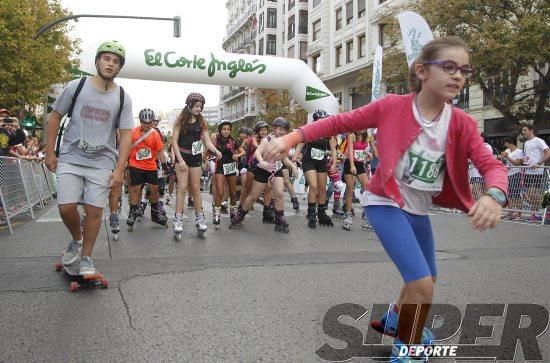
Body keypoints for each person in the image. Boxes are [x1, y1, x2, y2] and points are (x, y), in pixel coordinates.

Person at [262, 36, 508, 361]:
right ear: (421, 71)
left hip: (417, 210)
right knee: (423, 287)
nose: (458, 75)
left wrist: (494, 194)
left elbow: (490, 164)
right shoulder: (392, 106)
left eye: (464, 69)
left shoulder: (461, 123)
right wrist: (293, 137)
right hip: (385, 204)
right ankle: (405, 348)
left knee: (425, 279)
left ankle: (397, 318)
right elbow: (339, 121)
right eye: (449, 67)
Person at [45, 40, 133, 276]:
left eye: (115, 61)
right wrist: (50, 151)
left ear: (119, 68)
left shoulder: (123, 97)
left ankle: (87, 259)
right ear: (97, 61)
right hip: (71, 157)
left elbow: (126, 135)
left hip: (102, 162)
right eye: (106, 59)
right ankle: (76, 238)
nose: (110, 64)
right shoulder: (77, 86)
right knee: (66, 208)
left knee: (95, 212)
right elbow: (54, 117)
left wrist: (119, 168)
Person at [231, 117, 298, 233]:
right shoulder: (267, 139)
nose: (282, 132)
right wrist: (261, 161)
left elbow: (284, 158)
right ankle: (240, 214)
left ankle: (280, 217)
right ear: (274, 128)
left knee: (280, 193)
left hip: (276, 168)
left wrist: (292, 166)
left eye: (284, 130)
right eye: (280, 129)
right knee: (254, 195)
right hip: (264, 168)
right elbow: (257, 152)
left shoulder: (285, 141)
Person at [171, 92, 221, 239]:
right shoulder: (180, 121)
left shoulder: (202, 122)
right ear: (189, 105)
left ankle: (200, 217)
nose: (199, 109)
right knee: (182, 188)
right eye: (197, 106)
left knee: (196, 189)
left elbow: (207, 141)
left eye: (201, 107)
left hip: (195, 158)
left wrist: (216, 150)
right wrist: (180, 160)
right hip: (182, 156)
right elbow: (174, 141)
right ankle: (178, 218)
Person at [293, 109, 337, 228]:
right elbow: (299, 146)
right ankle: (311, 212)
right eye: (320, 121)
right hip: (309, 162)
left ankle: (321, 213)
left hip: (321, 162)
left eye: (324, 121)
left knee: (322, 188)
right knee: (313, 186)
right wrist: (294, 160)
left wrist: (333, 163)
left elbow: (333, 150)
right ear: (315, 121)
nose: (322, 123)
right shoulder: (310, 131)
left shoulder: (329, 134)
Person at [126, 108, 168, 230]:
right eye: (144, 122)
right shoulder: (133, 133)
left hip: (150, 166)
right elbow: (127, 148)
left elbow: (160, 151)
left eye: (149, 123)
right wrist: (125, 163)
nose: (147, 125)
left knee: (154, 189)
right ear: (140, 121)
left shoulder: (155, 134)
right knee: (135, 189)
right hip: (135, 165)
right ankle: (132, 212)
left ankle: (155, 213)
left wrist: (165, 166)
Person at [211, 121, 245, 227]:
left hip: (230, 167)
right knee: (220, 192)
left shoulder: (233, 141)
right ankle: (217, 215)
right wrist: (202, 161)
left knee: (233, 193)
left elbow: (243, 151)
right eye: (224, 129)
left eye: (228, 129)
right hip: (220, 167)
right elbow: (208, 151)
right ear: (220, 130)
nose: (226, 131)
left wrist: (238, 155)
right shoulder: (216, 141)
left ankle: (233, 213)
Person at [520, 124, 550, 222]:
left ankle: (543, 210)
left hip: (537, 172)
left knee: (533, 193)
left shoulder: (538, 141)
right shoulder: (526, 143)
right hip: (528, 171)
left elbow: (548, 152)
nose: (523, 132)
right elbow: (527, 157)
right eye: (522, 130)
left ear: (531, 130)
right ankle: (534, 215)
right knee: (529, 194)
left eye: (525, 130)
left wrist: (539, 163)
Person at [342, 129, 370, 231]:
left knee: (368, 188)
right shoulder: (351, 135)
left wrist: (369, 154)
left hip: (360, 164)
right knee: (350, 189)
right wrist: (352, 166)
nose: (360, 130)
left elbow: (368, 150)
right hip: (350, 163)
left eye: (363, 128)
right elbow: (350, 151)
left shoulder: (367, 137)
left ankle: (366, 216)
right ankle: (348, 216)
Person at [500, 136, 524, 220]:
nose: (505, 145)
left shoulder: (519, 151)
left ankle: (519, 214)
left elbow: (517, 163)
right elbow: (503, 163)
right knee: (509, 194)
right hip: (507, 174)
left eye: (506, 143)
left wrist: (507, 157)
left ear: (510, 142)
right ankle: (510, 212)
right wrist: (502, 158)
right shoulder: (507, 151)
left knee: (516, 194)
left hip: (515, 174)